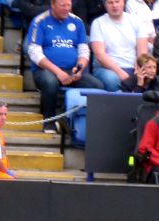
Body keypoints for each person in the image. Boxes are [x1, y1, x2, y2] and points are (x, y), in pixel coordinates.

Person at [27, 0, 104, 128]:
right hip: (46, 70)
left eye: (69, 5)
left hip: (72, 70)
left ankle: (85, 124)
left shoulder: (77, 21)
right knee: (50, 82)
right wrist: (58, 72)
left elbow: (84, 50)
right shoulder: (40, 21)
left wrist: (80, 67)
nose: (67, 8)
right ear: (53, 5)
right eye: (63, 5)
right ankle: (49, 120)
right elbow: (34, 52)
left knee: (97, 86)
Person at [89, 0, 151, 92]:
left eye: (117, 2)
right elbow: (99, 54)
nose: (114, 5)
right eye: (110, 3)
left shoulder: (136, 21)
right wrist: (120, 72)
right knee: (112, 79)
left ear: (123, 3)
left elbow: (142, 52)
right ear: (105, 5)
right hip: (107, 68)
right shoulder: (98, 23)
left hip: (133, 67)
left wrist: (138, 69)